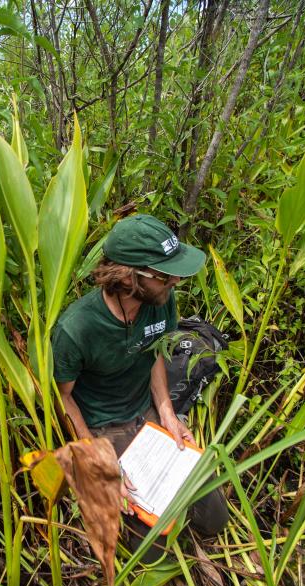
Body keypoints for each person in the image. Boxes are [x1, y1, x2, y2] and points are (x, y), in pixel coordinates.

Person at [52, 214, 228, 550]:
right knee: (150, 548)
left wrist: (166, 413)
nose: (176, 281)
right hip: (105, 427)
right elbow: (64, 398)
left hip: (146, 415)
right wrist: (97, 458)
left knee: (213, 517)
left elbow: (155, 354)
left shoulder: (160, 301)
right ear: (131, 277)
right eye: (166, 275)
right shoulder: (76, 329)